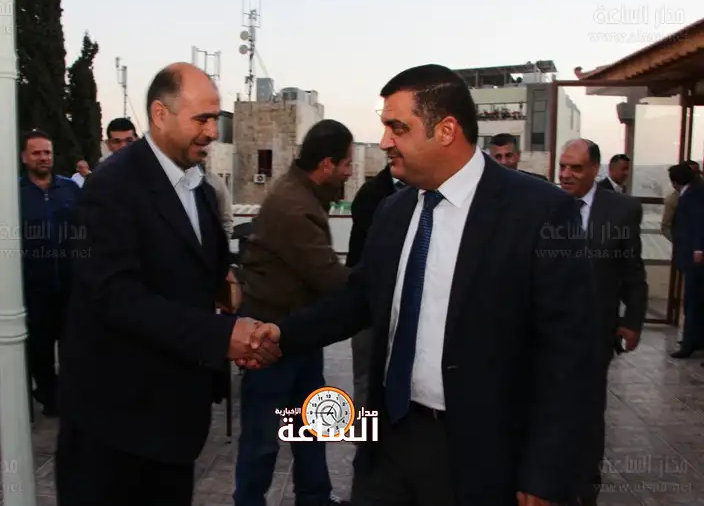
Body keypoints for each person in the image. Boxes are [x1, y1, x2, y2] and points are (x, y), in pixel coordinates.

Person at [244, 65, 599, 506]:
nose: (385, 141)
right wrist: (282, 334)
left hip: (479, 455)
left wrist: (546, 471)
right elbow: (359, 300)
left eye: (398, 128)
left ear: (446, 130)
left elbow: (570, 355)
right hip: (389, 442)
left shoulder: (540, 212)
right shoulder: (394, 212)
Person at [55, 63, 279, 506]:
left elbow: (199, 272)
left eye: (215, 119)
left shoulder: (198, 186)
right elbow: (116, 298)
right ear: (160, 115)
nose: (212, 131)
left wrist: (230, 302)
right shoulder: (111, 187)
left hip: (172, 423)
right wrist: (220, 337)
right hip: (114, 429)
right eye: (202, 119)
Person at [234, 119, 354, 506]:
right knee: (263, 438)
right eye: (347, 163)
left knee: (311, 426)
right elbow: (329, 277)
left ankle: (315, 497)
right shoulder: (294, 206)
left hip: (298, 333)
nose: (350, 172)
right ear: (326, 164)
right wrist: (377, 281)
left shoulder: (304, 195)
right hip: (271, 339)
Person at [558, 138, 647, 505]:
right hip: (549, 329)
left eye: (576, 168)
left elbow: (632, 271)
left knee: (589, 408)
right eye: (563, 166)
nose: (566, 174)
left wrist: (633, 320)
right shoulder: (544, 205)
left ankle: (586, 484)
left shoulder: (621, 210)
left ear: (595, 170)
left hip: (595, 330)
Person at [0, 130, 80, 416]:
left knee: (75, 348)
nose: (43, 158)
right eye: (36, 153)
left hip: (71, 288)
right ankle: (50, 398)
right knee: (40, 350)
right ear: (24, 157)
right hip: (33, 290)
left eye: (47, 152)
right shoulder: (12, 194)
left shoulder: (70, 190)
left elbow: (90, 226)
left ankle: (73, 398)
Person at [346, 165, 406, 410]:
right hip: (369, 302)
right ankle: (365, 430)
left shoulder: (425, 193)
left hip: (401, 305)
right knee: (366, 377)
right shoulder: (372, 194)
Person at [667, 164, 704, 359]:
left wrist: (698, 249)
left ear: (675, 182)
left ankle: (690, 342)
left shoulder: (693, 195)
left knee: (693, 300)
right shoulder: (694, 191)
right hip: (692, 254)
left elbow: (698, 223)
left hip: (694, 257)